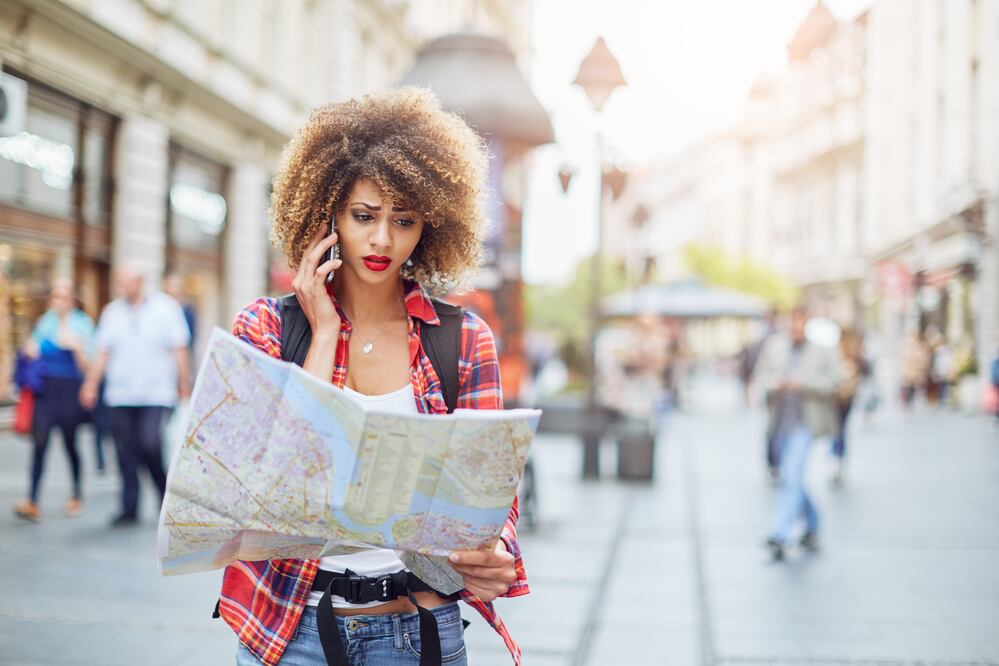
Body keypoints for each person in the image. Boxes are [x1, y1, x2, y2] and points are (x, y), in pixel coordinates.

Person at [218, 88, 527, 666]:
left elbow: (492, 491)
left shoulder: (463, 339)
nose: (382, 239)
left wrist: (495, 552)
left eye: (403, 220)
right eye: (364, 216)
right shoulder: (265, 328)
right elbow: (265, 487)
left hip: (419, 630)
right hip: (292, 630)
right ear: (328, 212)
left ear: (430, 224)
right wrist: (324, 335)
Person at [79, 266, 191, 527]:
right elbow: (103, 352)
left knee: (150, 444)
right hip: (119, 394)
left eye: (125, 281)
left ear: (140, 281)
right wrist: (91, 383)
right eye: (119, 282)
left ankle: (165, 499)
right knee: (124, 451)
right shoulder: (112, 312)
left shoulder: (166, 308)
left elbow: (179, 348)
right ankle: (129, 507)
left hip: (156, 393)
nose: (121, 287)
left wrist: (183, 383)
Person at [756, 306, 842, 560]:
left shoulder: (822, 351)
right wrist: (776, 383)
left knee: (791, 477)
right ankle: (813, 523)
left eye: (800, 324)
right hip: (780, 423)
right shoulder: (776, 348)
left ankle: (780, 534)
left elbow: (835, 381)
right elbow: (761, 377)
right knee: (791, 478)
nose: (795, 329)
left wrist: (804, 383)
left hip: (806, 424)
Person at [13, 278, 95, 522]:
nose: (59, 302)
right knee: (40, 441)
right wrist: (29, 350)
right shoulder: (45, 322)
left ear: (72, 300)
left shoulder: (83, 324)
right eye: (56, 296)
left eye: (64, 296)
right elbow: (34, 348)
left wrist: (76, 347)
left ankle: (76, 494)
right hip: (46, 389)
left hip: (69, 389)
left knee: (70, 442)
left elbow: (88, 366)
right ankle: (32, 500)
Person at [830, 328, 868, 485]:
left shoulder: (853, 355)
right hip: (836, 398)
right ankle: (836, 458)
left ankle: (836, 459)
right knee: (837, 430)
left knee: (839, 429)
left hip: (845, 399)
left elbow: (865, 372)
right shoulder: (835, 354)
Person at [899, 331, 930, 410]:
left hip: (916, 372)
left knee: (916, 388)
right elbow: (905, 358)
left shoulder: (921, 347)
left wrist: (919, 364)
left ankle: (913, 402)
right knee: (908, 387)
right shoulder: (908, 346)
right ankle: (908, 403)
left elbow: (924, 359)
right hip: (910, 373)